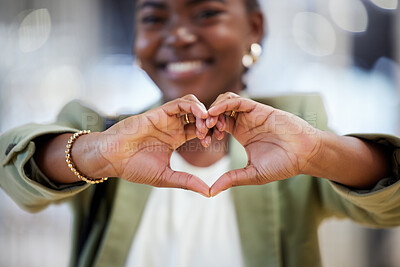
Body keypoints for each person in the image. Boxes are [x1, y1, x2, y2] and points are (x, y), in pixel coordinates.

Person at [0, 0, 399, 266]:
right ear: (137, 43)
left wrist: (317, 153)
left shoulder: (296, 124)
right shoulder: (102, 132)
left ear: (254, 27)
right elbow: (11, 167)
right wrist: (98, 153)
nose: (178, 35)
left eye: (206, 12)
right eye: (154, 18)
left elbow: (391, 205)